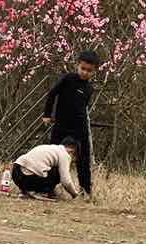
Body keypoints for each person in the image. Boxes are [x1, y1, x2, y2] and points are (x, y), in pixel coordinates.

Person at [42, 50, 100, 195]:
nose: (85, 72)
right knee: (53, 155)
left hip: (80, 128)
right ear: (77, 65)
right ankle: (48, 188)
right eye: (83, 68)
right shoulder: (68, 79)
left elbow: (83, 108)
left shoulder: (89, 88)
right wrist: (47, 114)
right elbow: (52, 93)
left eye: (89, 70)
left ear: (94, 71)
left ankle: (86, 191)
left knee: (83, 159)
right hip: (61, 125)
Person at [11, 137, 81, 200]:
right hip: (29, 178)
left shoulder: (50, 148)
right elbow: (66, 181)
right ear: (72, 151)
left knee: (45, 168)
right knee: (57, 172)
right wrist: (74, 194)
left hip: (16, 172)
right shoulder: (64, 154)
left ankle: (25, 191)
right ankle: (41, 193)